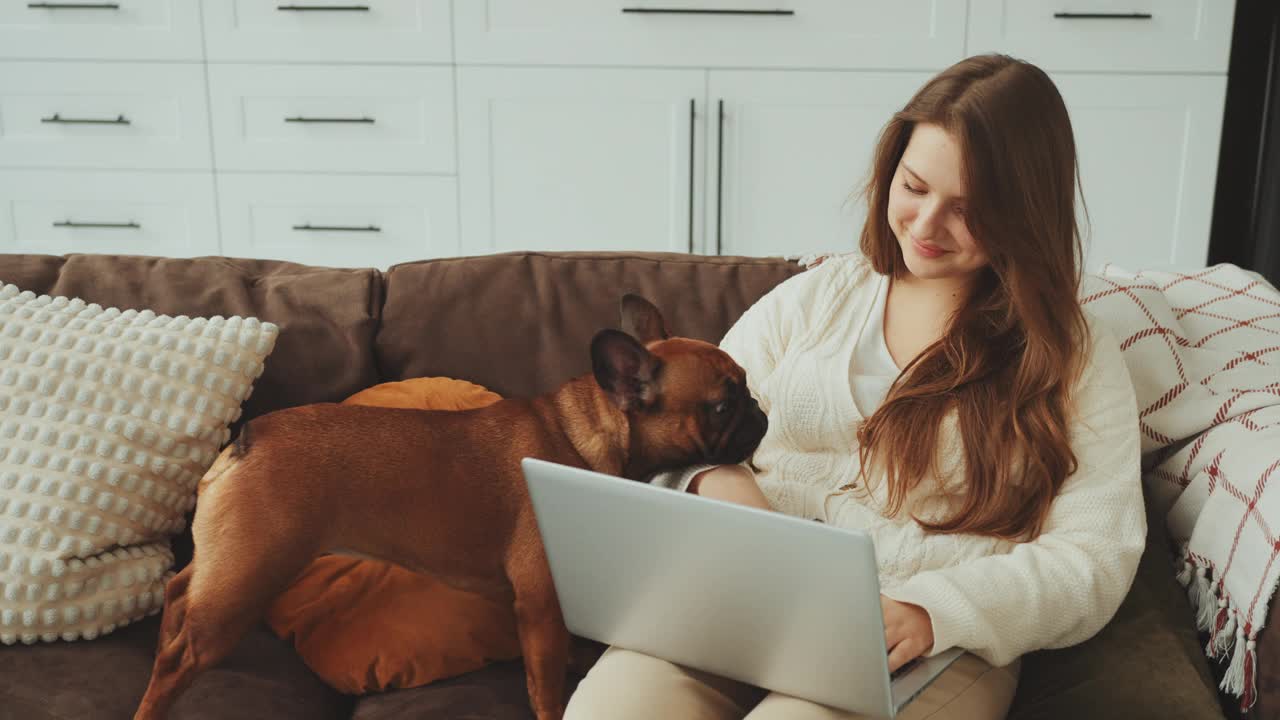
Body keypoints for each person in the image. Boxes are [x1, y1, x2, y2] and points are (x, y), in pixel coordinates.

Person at [563, 53, 1147, 720]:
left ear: (1025, 214)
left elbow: (1096, 558)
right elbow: (679, 430)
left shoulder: (1072, 354)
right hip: (742, 603)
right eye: (915, 186)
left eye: (967, 209)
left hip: (922, 647)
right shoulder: (817, 300)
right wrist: (708, 480)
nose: (926, 226)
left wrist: (933, 612)